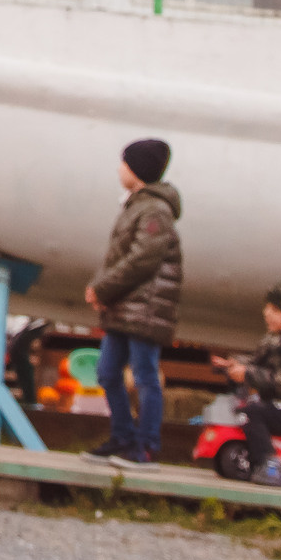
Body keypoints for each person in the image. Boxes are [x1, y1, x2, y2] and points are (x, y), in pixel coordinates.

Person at [84, 137, 182, 465]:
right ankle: (123, 436)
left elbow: (143, 258)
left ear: (136, 169)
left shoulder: (155, 210)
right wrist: (102, 289)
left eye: (124, 163)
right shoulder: (137, 206)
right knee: (108, 372)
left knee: (144, 376)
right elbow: (121, 255)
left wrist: (103, 288)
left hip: (145, 308)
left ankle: (147, 445)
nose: (119, 169)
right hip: (125, 306)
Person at [212, 280, 281, 486]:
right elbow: (257, 365)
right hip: (279, 405)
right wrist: (233, 364)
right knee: (247, 408)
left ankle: (270, 464)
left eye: (275, 310)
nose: (267, 313)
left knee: (253, 413)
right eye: (267, 308)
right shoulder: (274, 341)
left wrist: (248, 374)